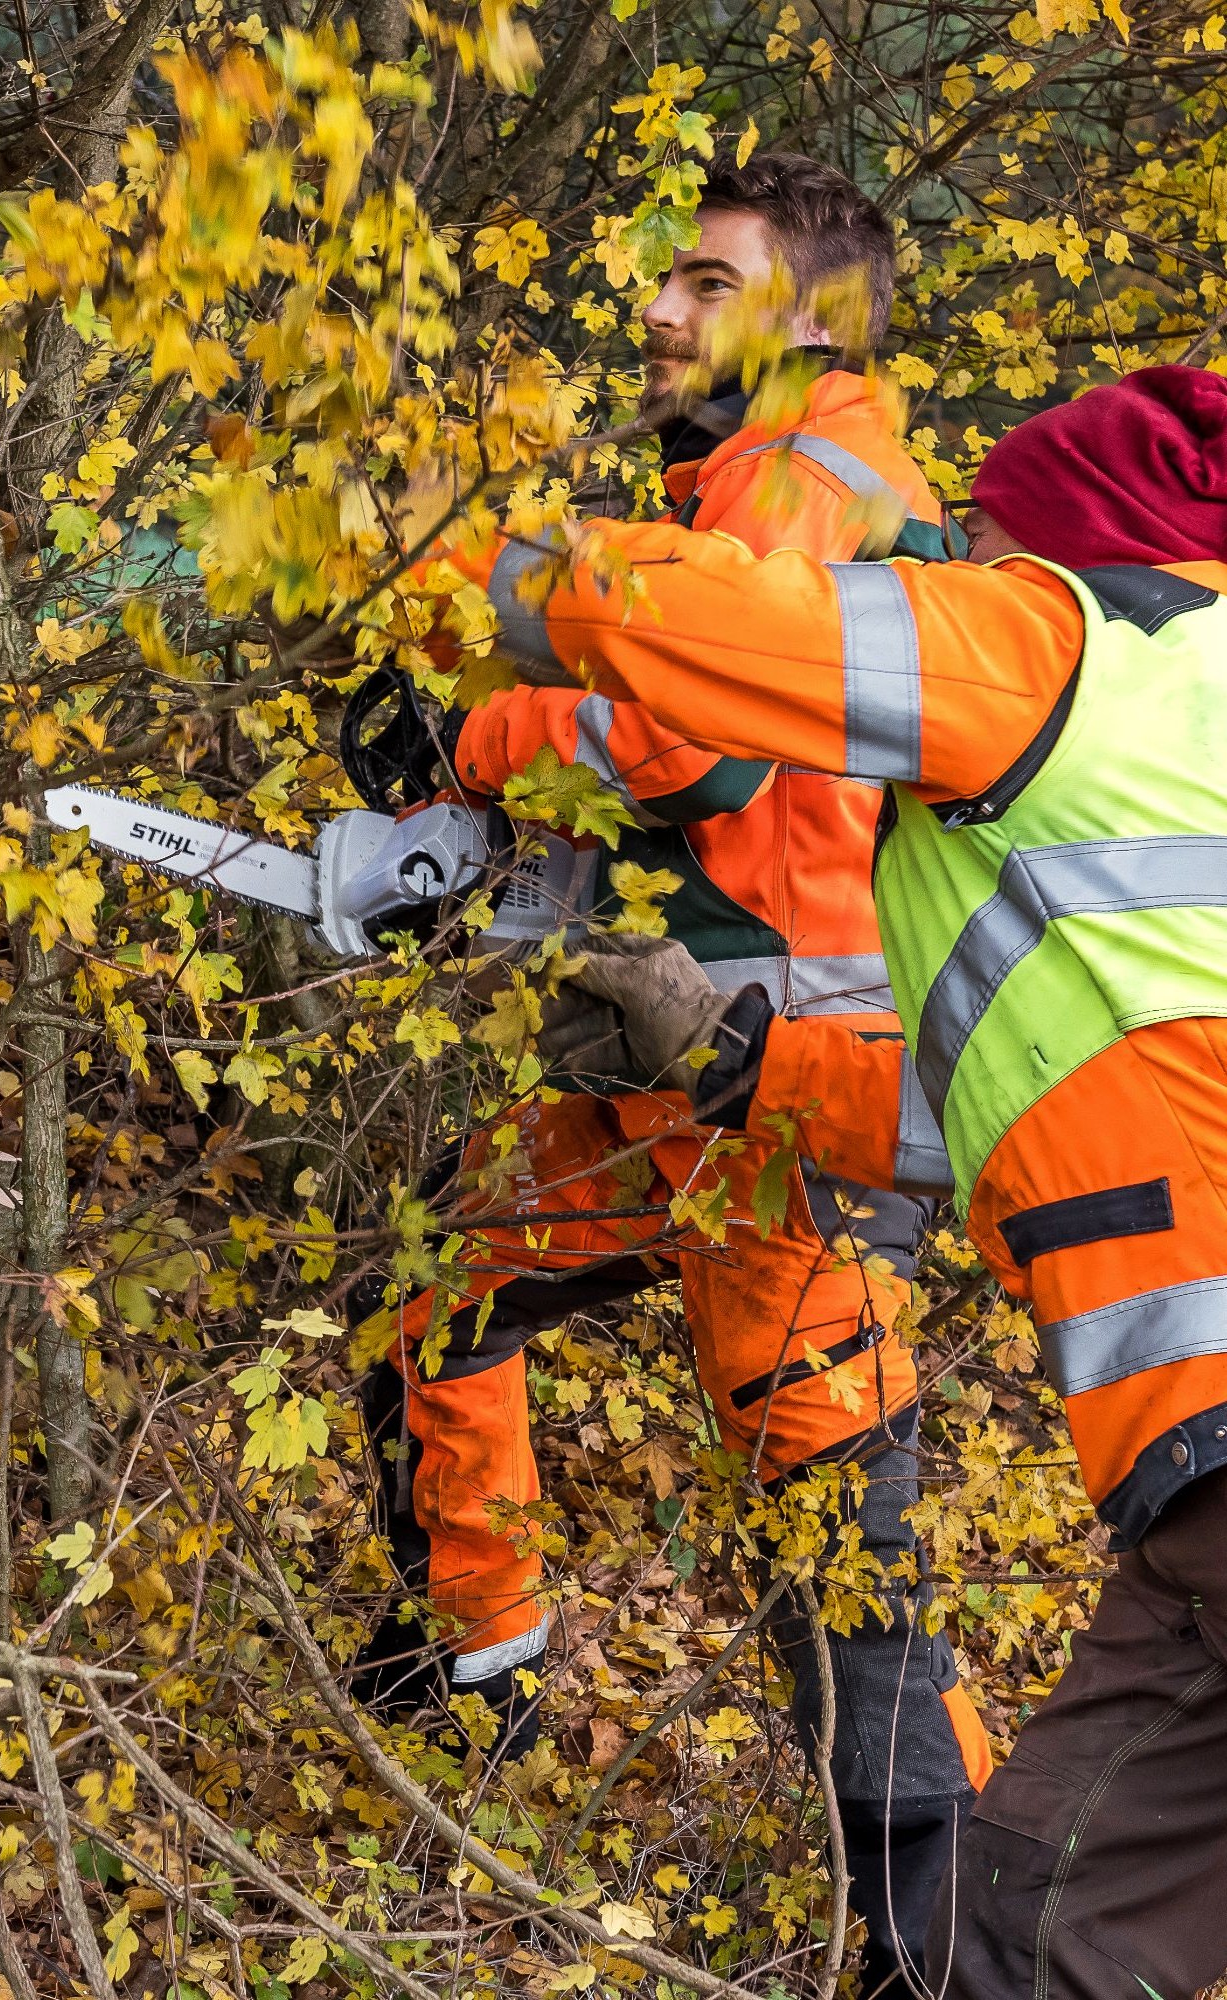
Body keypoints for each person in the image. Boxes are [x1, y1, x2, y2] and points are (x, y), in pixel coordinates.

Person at [475, 363, 1227, 2000]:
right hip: (1201, 1515)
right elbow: (1028, 1119)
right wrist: (733, 1059)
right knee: (1017, 1945)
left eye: (996, 545)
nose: (967, 574)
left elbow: (758, 636)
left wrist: (478, 570)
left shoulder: (1076, 649)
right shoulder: (1174, 769)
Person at [352, 154, 988, 1995]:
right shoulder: (743, 478)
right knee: (446, 1284)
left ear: (811, 323)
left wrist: (467, 747)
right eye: (668, 277)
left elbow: (690, 749)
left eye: (707, 283)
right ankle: (472, 1665)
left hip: (795, 1102)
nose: (658, 308)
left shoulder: (813, 483)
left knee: (834, 1551)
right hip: (668, 1069)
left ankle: (944, 1947)